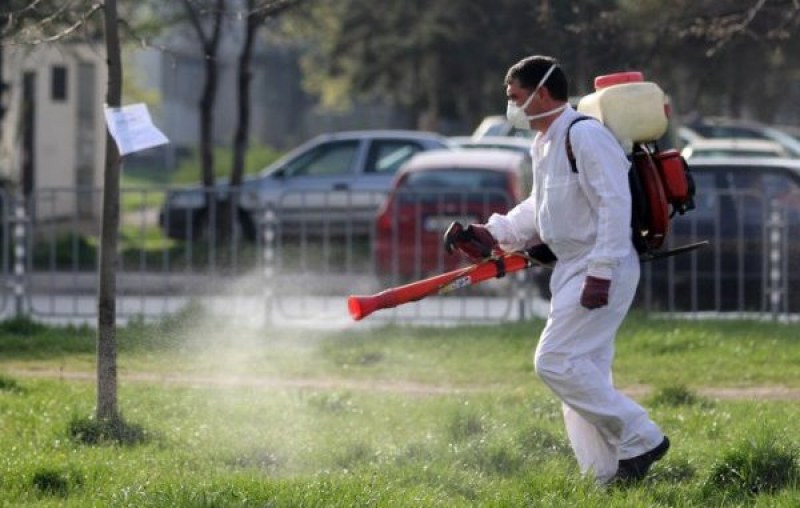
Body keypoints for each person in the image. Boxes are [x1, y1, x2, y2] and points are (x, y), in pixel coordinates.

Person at [443, 55, 669, 485]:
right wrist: (495, 233)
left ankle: (643, 438)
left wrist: (601, 272)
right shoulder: (545, 141)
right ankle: (607, 477)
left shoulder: (585, 136)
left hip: (604, 263)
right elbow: (540, 208)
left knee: (554, 362)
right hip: (573, 266)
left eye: (515, 97)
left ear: (542, 93)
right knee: (582, 379)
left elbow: (614, 205)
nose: (510, 106)